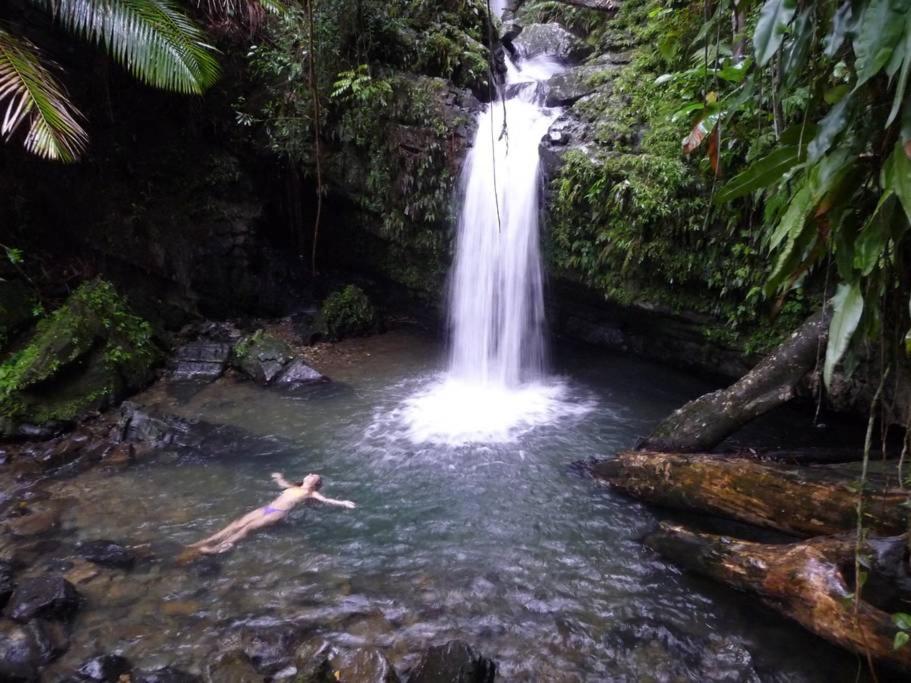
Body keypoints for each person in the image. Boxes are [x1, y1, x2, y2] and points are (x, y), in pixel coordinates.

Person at [187, 472, 355, 554]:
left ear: (314, 484)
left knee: (247, 529)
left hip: (278, 513)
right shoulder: (294, 487)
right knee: (237, 523)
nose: (310, 475)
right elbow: (282, 483)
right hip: (268, 508)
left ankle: (218, 548)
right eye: (310, 473)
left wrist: (343, 503)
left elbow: (326, 500)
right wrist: (277, 477)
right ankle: (208, 540)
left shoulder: (311, 493)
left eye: (314, 476)